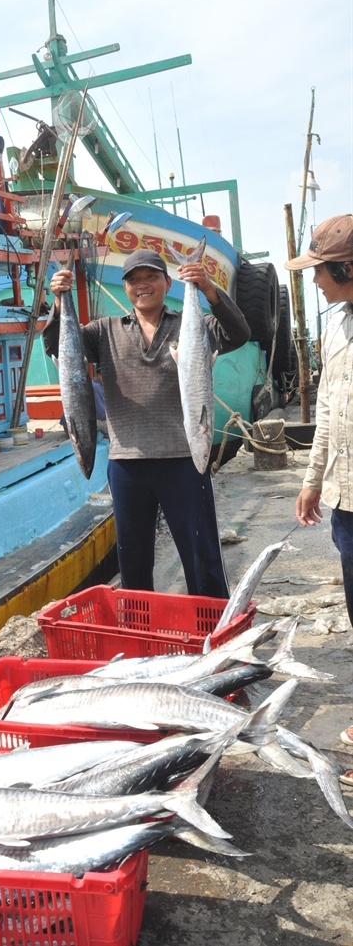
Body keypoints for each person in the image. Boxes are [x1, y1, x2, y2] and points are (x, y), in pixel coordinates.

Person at [44, 247, 250, 598]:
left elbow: (238, 332)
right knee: (134, 561)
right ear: (126, 288)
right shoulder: (104, 331)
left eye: (151, 277)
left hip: (185, 461)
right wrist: (59, 302)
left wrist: (210, 290)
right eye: (134, 280)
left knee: (202, 557)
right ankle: (142, 634)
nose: (143, 285)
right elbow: (58, 347)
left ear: (167, 282)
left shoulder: (192, 325)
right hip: (127, 466)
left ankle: (214, 630)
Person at [285, 213, 353, 785]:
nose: (314, 282)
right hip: (346, 497)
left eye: (319, 272)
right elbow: (328, 411)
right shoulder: (335, 327)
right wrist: (312, 479)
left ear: (345, 267)